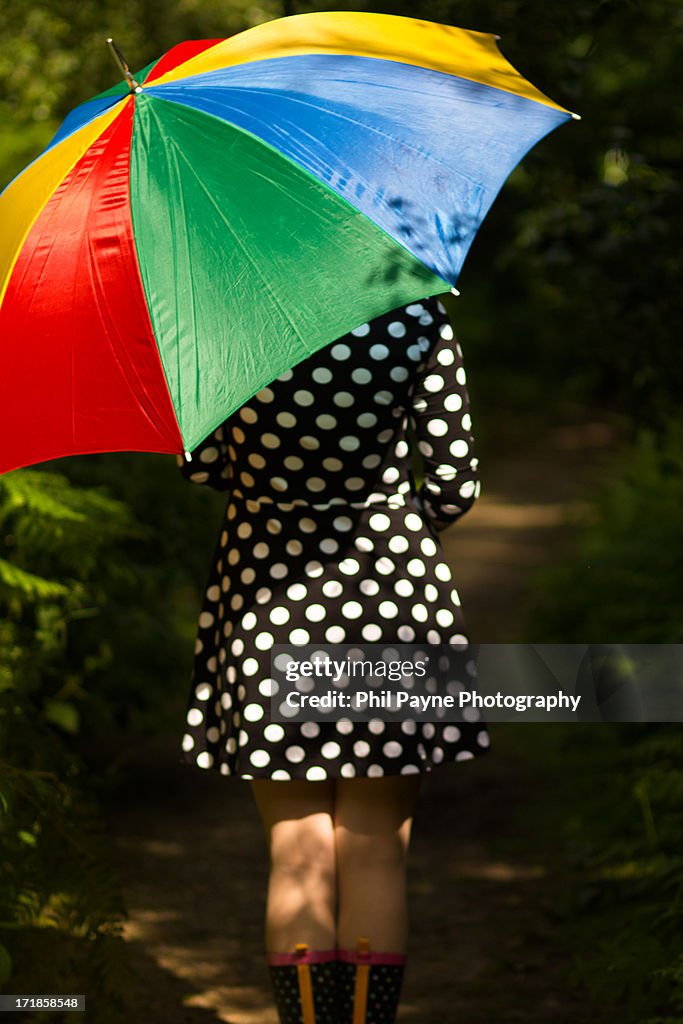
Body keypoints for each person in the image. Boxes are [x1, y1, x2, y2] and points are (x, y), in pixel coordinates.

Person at [176, 296, 490, 1023]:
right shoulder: (419, 319)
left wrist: (270, 490)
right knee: (375, 847)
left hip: (263, 599)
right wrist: (387, 515)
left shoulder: (222, 322)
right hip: (391, 594)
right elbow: (454, 484)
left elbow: (200, 465)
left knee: (296, 850)